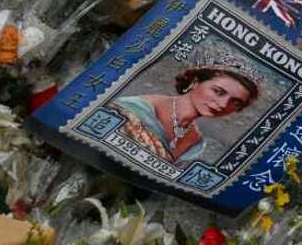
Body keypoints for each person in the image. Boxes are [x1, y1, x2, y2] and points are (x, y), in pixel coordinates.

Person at [109, 56, 262, 165]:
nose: (223, 105)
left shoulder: (196, 141)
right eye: (218, 91)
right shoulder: (137, 108)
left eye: (235, 102)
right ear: (195, 82)